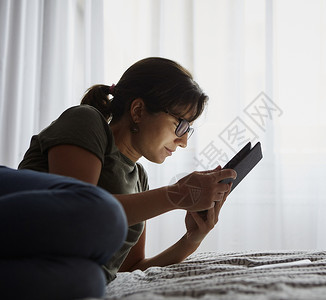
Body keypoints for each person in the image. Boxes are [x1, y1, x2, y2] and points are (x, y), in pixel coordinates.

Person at [16, 57, 237, 298]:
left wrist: (192, 238)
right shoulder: (85, 120)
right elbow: (78, 214)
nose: (183, 141)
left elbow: (130, 268)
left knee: (89, 280)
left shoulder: (139, 178)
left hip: (62, 274)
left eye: (188, 130)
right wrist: (179, 195)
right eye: (180, 125)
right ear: (138, 110)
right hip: (18, 237)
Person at [0, 166, 127, 299]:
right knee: (107, 215)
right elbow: (84, 221)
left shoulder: (139, 177)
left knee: (87, 282)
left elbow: (130, 264)